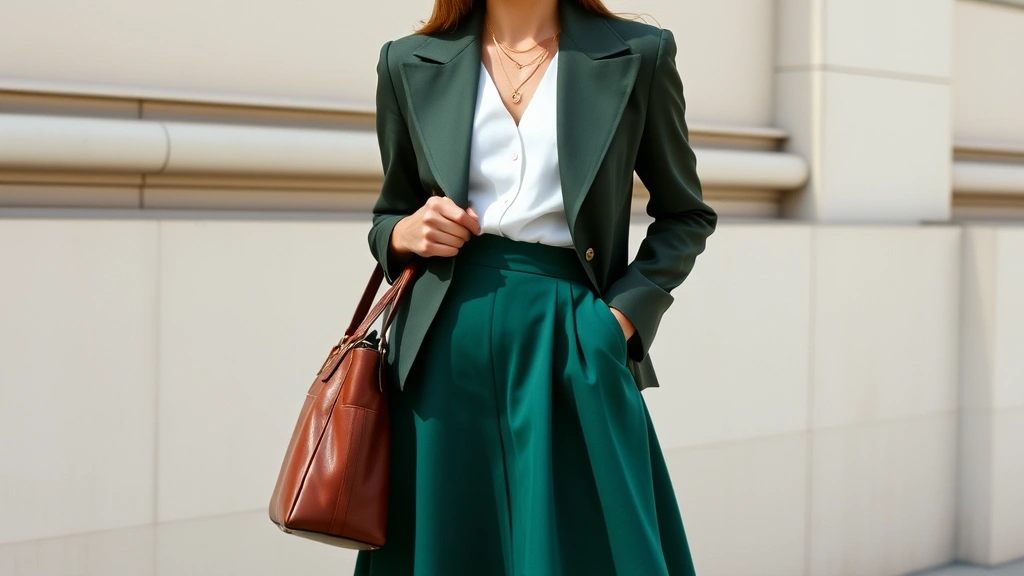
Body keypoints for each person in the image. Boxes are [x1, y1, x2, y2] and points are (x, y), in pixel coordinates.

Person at [355, 0, 717, 573]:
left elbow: (685, 214)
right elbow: (389, 215)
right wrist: (404, 231)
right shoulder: (408, 62)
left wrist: (618, 323)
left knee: (587, 549)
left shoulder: (638, 54)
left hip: (572, 340)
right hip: (441, 348)